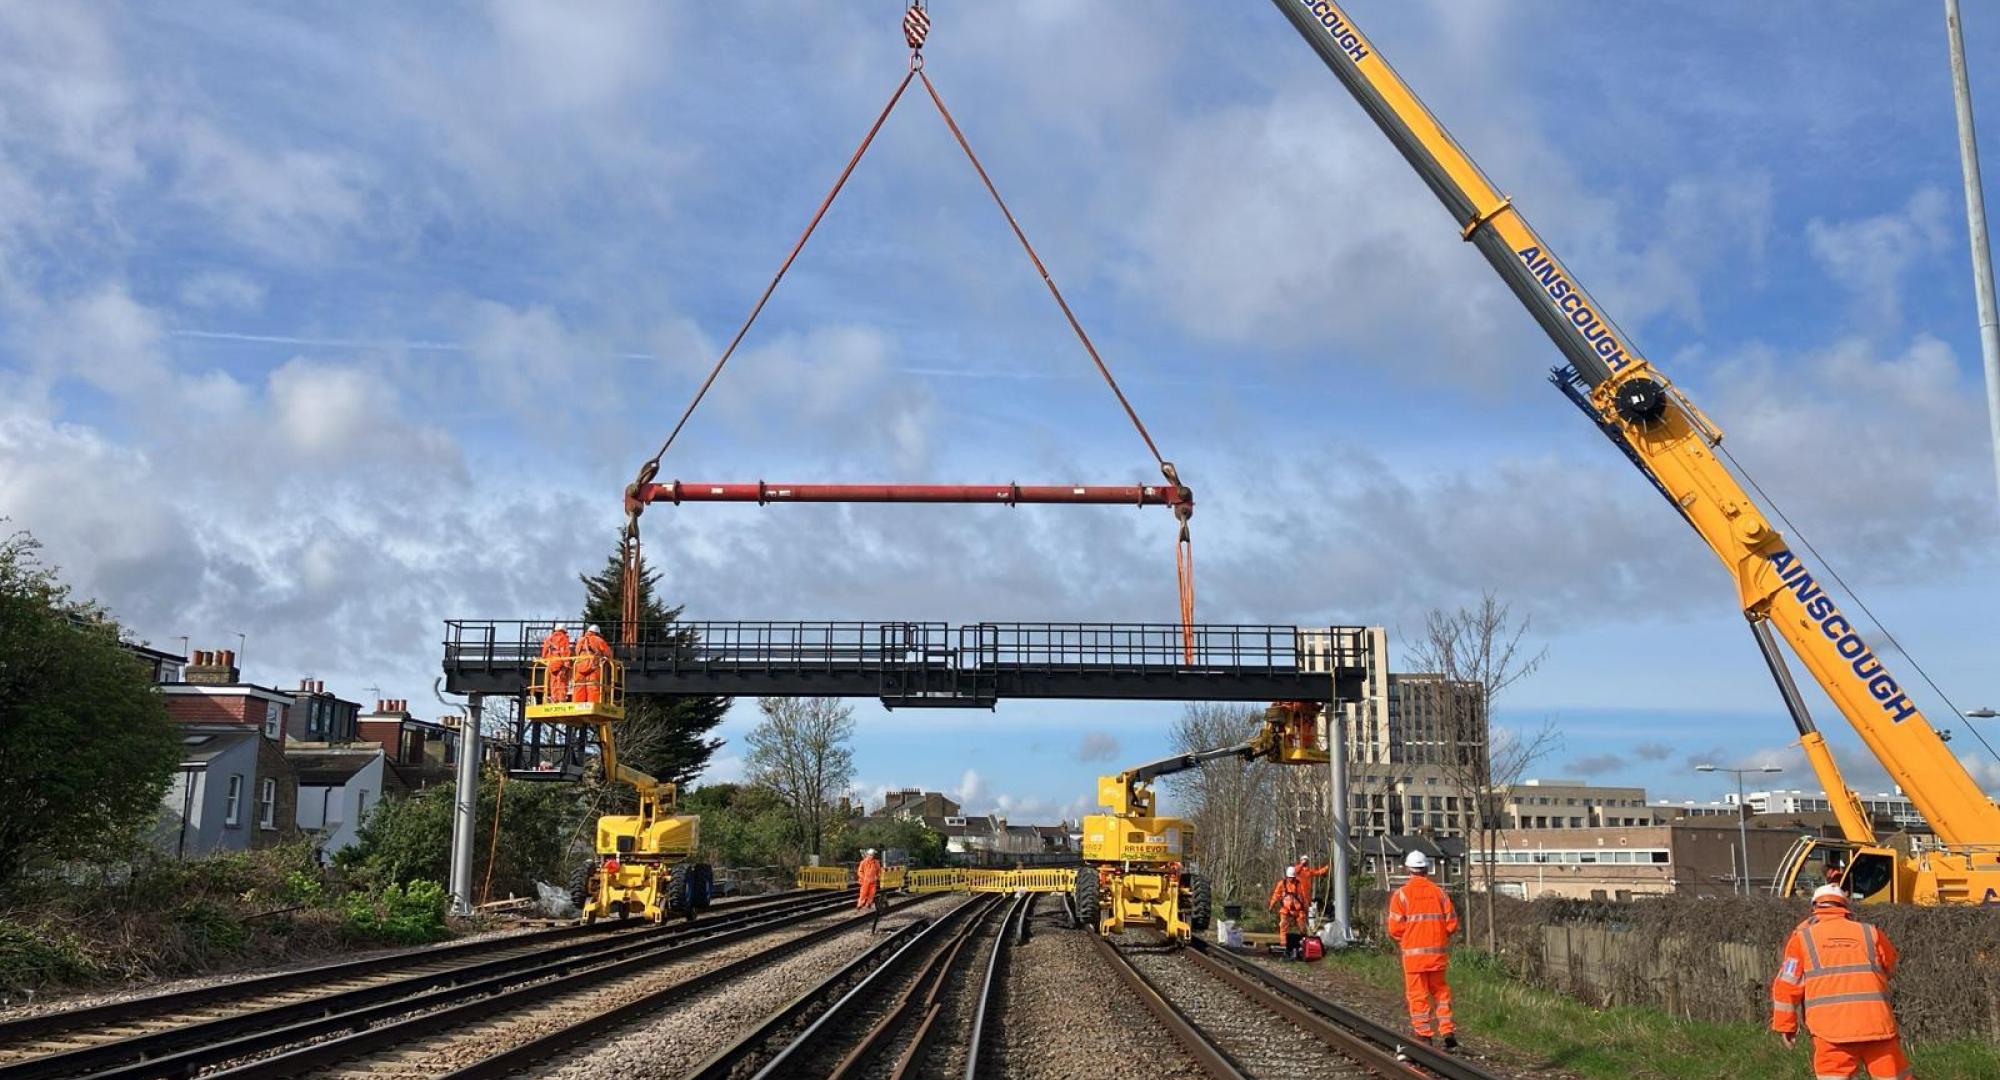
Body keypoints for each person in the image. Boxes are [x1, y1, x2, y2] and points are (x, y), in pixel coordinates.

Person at [1771, 884, 1907, 1080]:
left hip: (1831, 1032)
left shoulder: (1802, 939)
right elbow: (1891, 966)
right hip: (1877, 1026)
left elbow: (1787, 985)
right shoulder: (1871, 933)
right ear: (1845, 906)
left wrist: (1786, 1026)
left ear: (1815, 907)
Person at [1387, 849, 1459, 1049]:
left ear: (1408, 870)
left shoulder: (1401, 895)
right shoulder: (1439, 893)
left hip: (1413, 957)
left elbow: (1394, 928)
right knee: (1441, 993)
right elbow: (1452, 924)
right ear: (1426, 869)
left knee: (1417, 996)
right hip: (1437, 955)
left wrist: (1409, 938)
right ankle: (1447, 1030)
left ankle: (1424, 1035)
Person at [1267, 864, 1310, 956]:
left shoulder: (1300, 884)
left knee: (1302, 926)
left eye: (1293, 877)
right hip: (1286, 908)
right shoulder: (1282, 884)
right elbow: (1276, 895)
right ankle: (1284, 945)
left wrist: (1306, 909)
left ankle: (1303, 944)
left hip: (1298, 909)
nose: (1291, 879)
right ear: (1287, 876)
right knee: (1283, 924)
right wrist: (1271, 905)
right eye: (1290, 877)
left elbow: (1305, 897)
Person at [572, 624, 613, 704]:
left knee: (579, 687)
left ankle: (577, 705)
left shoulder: (580, 641)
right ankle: (593, 704)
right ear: (597, 633)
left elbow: (577, 652)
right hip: (593, 667)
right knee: (593, 686)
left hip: (580, 667)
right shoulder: (599, 640)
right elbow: (608, 654)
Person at [538, 625, 573, 703]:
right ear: (564, 631)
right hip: (560, 663)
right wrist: (566, 665)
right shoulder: (563, 638)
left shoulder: (548, 639)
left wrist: (549, 661)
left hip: (551, 664)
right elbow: (565, 652)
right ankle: (561, 700)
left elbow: (544, 654)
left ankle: (554, 699)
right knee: (562, 682)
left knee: (553, 683)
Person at [856, 848, 886, 931]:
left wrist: (877, 877)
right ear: (867, 855)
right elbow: (860, 871)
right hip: (865, 881)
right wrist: (863, 877)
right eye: (870, 855)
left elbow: (879, 871)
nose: (871, 856)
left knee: (872, 894)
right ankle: (860, 905)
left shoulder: (876, 862)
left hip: (873, 881)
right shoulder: (863, 862)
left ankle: (868, 904)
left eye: (872, 855)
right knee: (863, 893)